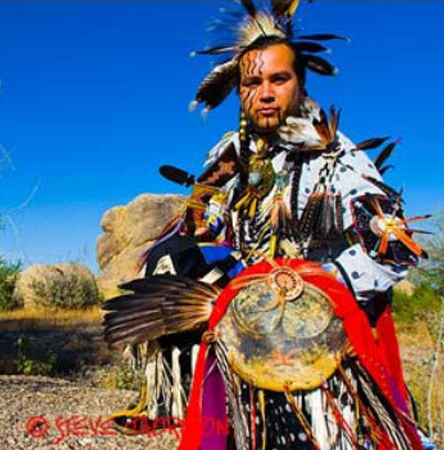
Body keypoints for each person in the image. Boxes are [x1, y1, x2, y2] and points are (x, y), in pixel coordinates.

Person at [103, 1, 431, 449]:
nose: (266, 92)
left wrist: (315, 285)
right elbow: (212, 231)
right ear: (239, 91)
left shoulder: (339, 157)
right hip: (245, 332)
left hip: (322, 343)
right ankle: (167, 404)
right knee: (168, 257)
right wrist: (201, 217)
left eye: (279, 79)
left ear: (301, 82)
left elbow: (396, 247)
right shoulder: (232, 160)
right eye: (252, 82)